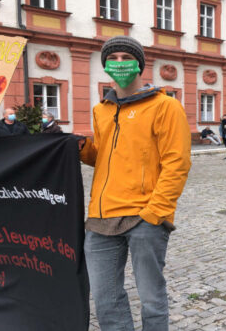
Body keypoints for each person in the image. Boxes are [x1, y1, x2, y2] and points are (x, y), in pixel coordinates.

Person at [78, 35, 191, 331]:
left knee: (151, 298)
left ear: (139, 64)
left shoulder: (165, 106)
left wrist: (155, 213)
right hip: (101, 218)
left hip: (144, 217)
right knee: (105, 299)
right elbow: (104, 156)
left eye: (125, 58)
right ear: (105, 66)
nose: (119, 64)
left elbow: (177, 163)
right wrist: (78, 147)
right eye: (112, 59)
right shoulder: (101, 109)